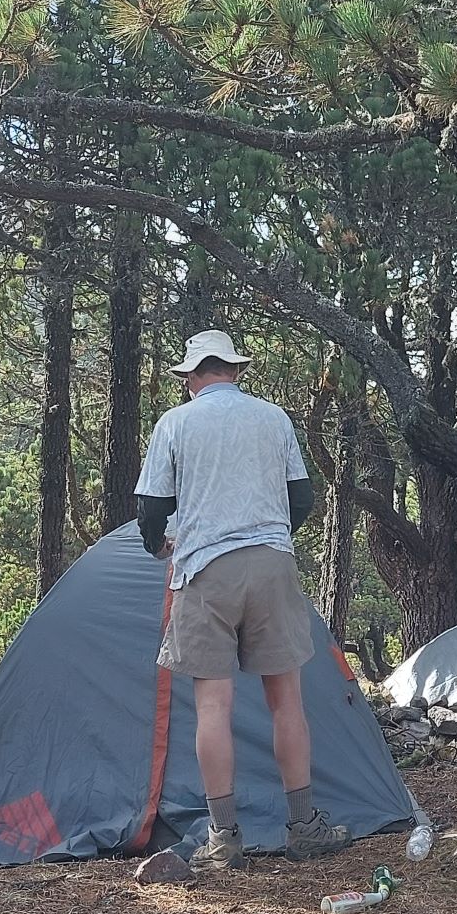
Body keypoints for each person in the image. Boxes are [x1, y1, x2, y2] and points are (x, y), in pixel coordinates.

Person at [135, 329, 349, 865]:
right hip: (272, 563)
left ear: (191, 377)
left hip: (206, 568)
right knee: (287, 702)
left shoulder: (175, 424)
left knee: (213, 705)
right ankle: (304, 826)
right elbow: (302, 496)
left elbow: (152, 506)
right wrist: (275, 537)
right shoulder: (273, 418)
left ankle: (224, 839)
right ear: (235, 370)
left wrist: (159, 544)